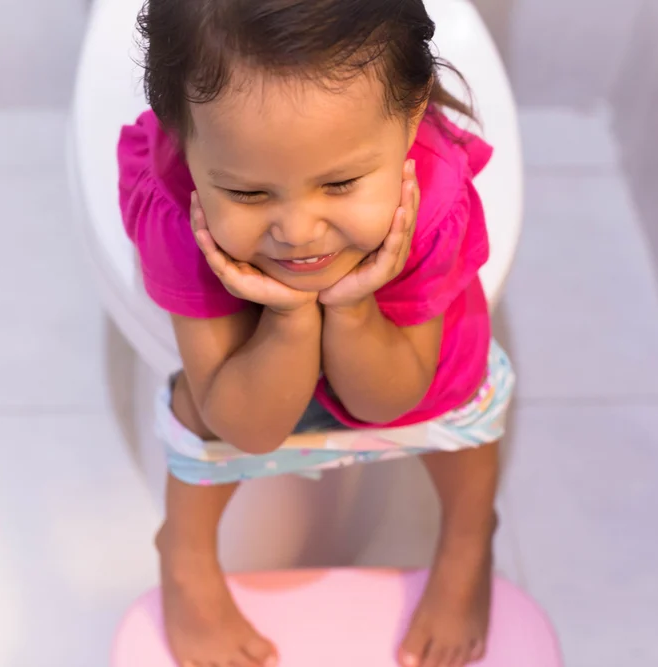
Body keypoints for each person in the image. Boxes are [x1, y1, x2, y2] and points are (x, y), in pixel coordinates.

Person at [117, 1, 514, 665]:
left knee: (457, 380)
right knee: (203, 406)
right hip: (246, 366)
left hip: (399, 356)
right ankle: (183, 551)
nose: (298, 233)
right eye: (247, 193)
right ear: (185, 142)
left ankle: (471, 534)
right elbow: (245, 426)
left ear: (413, 115)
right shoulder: (176, 207)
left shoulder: (434, 196)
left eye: (340, 182)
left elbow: (390, 401)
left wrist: (355, 309)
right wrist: (290, 317)